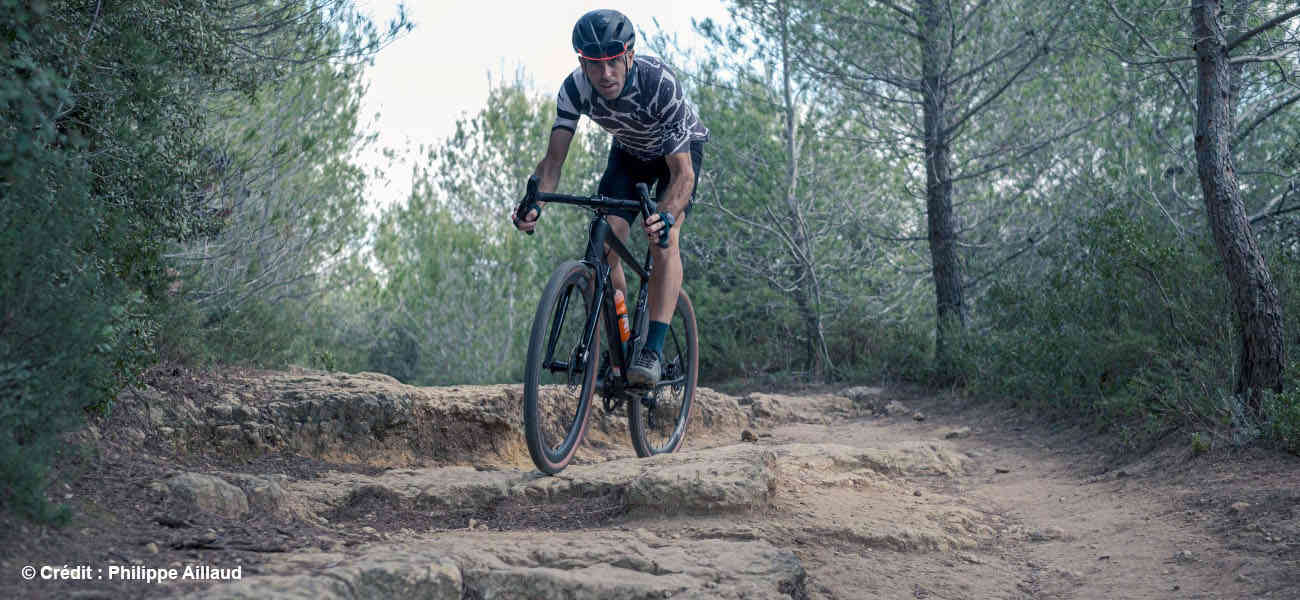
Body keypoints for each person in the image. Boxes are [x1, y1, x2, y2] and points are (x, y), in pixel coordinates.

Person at [511, 9, 707, 387]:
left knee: (663, 238)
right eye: (595, 64)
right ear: (582, 62)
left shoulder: (658, 84)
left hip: (677, 157)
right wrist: (536, 200)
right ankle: (621, 342)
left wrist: (665, 215)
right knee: (603, 243)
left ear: (630, 56)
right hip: (630, 155)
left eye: (614, 62)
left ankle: (651, 349)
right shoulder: (574, 89)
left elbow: (683, 176)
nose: (605, 75)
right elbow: (552, 163)